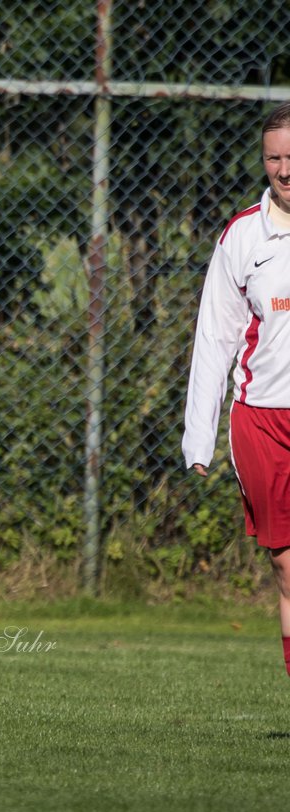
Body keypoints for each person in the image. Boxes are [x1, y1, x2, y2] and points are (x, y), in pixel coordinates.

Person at [184, 101, 290, 677]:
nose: (284, 168)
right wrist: (198, 440)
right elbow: (214, 341)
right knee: (288, 570)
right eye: (273, 157)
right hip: (262, 422)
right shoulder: (242, 237)